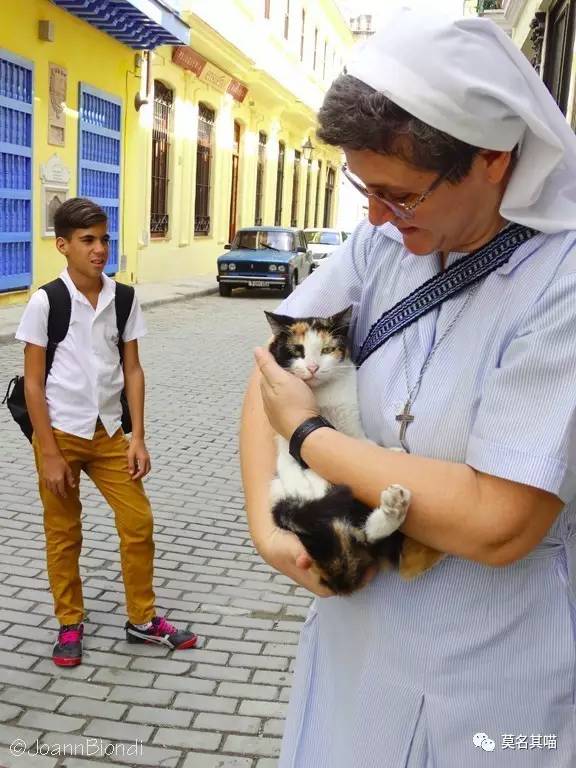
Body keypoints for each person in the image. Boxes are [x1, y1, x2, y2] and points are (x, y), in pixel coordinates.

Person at [240, 10, 576, 768]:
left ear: (493, 160)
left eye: (402, 195)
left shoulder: (562, 280)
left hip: (493, 672)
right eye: (363, 187)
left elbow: (499, 519)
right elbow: (269, 369)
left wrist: (310, 437)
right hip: (358, 650)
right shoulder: (381, 245)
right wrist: (271, 533)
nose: (375, 215)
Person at [16, 198, 198, 667]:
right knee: (63, 532)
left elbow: (133, 370)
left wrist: (137, 436)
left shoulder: (125, 298)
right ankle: (69, 624)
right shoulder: (46, 301)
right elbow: (33, 384)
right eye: (87, 240)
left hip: (110, 433)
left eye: (104, 239)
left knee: (138, 523)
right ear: (63, 245)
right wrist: (50, 454)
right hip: (58, 434)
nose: (99, 249)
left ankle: (142, 619)